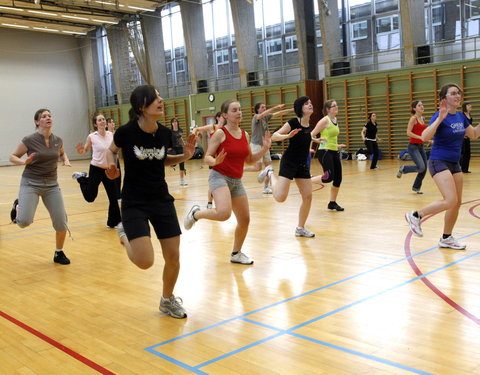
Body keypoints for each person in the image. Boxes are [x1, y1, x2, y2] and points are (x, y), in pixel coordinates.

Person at [105, 85, 197, 318]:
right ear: (141, 107)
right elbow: (111, 151)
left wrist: (185, 155)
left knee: (173, 256)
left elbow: (162, 160)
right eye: (155, 98)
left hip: (161, 200)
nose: (161, 100)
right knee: (145, 261)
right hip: (134, 202)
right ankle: (125, 237)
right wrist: (111, 167)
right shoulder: (125, 132)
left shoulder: (165, 133)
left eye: (160, 96)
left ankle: (167, 300)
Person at [183, 99, 271, 265]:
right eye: (234, 110)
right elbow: (207, 157)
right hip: (219, 176)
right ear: (224, 115)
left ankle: (236, 253)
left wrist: (265, 148)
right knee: (224, 213)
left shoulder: (244, 134)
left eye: (240, 109)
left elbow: (250, 160)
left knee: (244, 220)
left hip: (236, 180)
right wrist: (214, 162)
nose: (239, 112)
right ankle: (196, 214)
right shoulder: (220, 133)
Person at [405, 83, 480, 249]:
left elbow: (473, 134)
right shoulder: (439, 115)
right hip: (438, 161)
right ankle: (416, 215)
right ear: (444, 98)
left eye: (458, 93)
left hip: (455, 163)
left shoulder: (460, 117)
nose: (457, 96)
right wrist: (440, 119)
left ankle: (446, 237)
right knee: (450, 199)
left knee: (457, 202)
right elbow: (424, 136)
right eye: (453, 93)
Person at [9, 109, 71, 265]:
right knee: (23, 222)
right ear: (37, 122)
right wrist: (23, 162)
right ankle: (18, 208)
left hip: (51, 185)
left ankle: (59, 253)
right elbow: (12, 156)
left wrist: (66, 159)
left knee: (61, 222)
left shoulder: (58, 140)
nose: (48, 118)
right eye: (44, 116)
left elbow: (62, 153)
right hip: (31, 183)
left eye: (49, 115)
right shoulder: (29, 140)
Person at [257, 96, 316, 237]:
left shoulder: (309, 125)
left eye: (310, 102)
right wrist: (287, 136)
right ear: (300, 107)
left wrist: (314, 140)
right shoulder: (293, 122)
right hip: (289, 161)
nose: (310, 105)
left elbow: (304, 139)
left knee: (307, 196)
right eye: (306, 103)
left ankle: (300, 228)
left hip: (302, 164)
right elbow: (274, 136)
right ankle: (270, 172)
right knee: (280, 197)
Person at [72, 112, 121, 228]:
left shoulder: (111, 135)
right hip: (96, 169)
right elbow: (85, 149)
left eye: (103, 119)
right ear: (95, 124)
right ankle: (81, 178)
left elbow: (115, 150)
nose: (102, 121)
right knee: (90, 197)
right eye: (99, 120)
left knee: (114, 197)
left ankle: (113, 222)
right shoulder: (92, 136)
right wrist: (81, 151)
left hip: (108, 170)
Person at [244, 103, 293, 194]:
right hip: (256, 145)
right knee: (258, 168)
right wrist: (274, 107)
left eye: (265, 107)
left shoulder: (266, 117)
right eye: (262, 107)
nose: (264, 108)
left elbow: (279, 114)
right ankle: (242, 170)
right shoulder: (256, 117)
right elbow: (262, 115)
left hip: (265, 145)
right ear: (257, 110)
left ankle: (266, 187)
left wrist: (291, 110)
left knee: (269, 168)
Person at [311, 99, 345, 211]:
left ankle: (332, 203)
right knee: (328, 177)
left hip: (334, 150)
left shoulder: (335, 120)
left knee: (338, 179)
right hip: (324, 151)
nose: (336, 107)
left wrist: (337, 145)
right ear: (328, 109)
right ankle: (307, 181)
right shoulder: (324, 121)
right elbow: (310, 135)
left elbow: (331, 137)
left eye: (336, 105)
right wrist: (316, 141)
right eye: (333, 106)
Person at [192, 112, 225, 208]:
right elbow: (197, 129)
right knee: (213, 181)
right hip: (213, 158)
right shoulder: (213, 127)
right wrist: (194, 135)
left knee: (223, 181)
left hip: (223, 157)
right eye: (223, 116)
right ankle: (210, 203)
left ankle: (221, 200)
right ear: (218, 118)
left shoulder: (226, 129)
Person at [396, 101, 429, 194]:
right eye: (419, 105)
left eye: (422, 105)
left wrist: (429, 140)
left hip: (420, 146)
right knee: (421, 167)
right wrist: (419, 137)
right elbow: (408, 132)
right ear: (414, 108)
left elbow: (423, 133)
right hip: (413, 147)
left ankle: (416, 187)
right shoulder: (413, 119)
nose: (422, 106)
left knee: (424, 168)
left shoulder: (423, 118)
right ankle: (404, 168)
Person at [169, 117, 188, 186]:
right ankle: (173, 165)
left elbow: (182, 139)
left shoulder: (180, 130)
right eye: (173, 122)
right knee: (173, 162)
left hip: (180, 149)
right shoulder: (170, 131)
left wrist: (185, 145)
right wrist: (168, 147)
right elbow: (168, 140)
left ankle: (182, 181)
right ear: (171, 123)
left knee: (182, 165)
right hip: (173, 149)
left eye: (176, 121)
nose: (175, 123)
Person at [106, 118, 122, 198]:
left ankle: (119, 194)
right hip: (109, 159)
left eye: (113, 122)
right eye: (110, 122)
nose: (112, 123)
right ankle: (114, 195)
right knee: (111, 178)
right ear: (107, 124)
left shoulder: (116, 133)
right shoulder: (106, 134)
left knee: (119, 176)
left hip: (116, 158)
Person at [460, 102, 472, 173]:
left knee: (468, 153)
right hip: (462, 137)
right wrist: (462, 134)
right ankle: (458, 167)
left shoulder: (469, 115)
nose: (470, 106)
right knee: (462, 153)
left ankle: (465, 169)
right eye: (468, 105)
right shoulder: (462, 115)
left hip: (468, 137)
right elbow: (460, 125)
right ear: (464, 107)